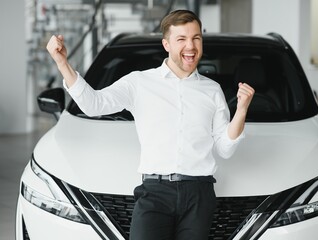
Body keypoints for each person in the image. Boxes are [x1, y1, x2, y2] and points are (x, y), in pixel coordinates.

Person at [46, 9, 254, 240]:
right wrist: (62, 63)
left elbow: (225, 148)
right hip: (155, 192)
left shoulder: (212, 90)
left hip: (199, 193)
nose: (191, 46)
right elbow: (94, 105)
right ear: (166, 44)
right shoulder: (139, 83)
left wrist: (242, 110)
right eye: (181, 39)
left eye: (196, 38)